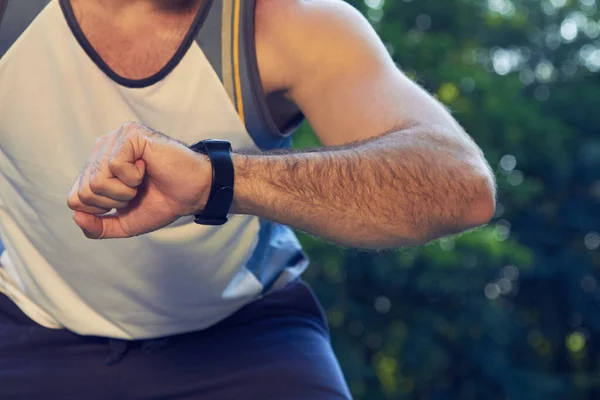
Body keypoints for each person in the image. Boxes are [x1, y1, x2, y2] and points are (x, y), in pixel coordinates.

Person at [0, 0, 497, 398]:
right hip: (31, 327)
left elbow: (461, 187)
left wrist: (218, 178)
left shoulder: (286, 23)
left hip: (244, 338)